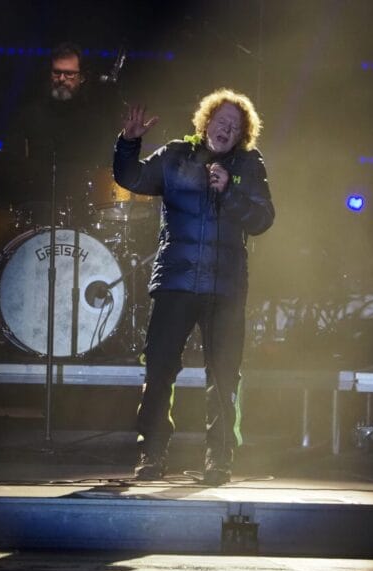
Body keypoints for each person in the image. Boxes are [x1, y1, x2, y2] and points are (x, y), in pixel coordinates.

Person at [113, 88, 275, 485]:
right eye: (221, 121)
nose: (226, 129)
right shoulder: (174, 156)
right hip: (176, 281)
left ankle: (219, 459)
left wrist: (229, 191)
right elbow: (131, 177)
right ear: (206, 122)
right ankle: (152, 454)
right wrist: (128, 143)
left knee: (224, 375)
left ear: (243, 133)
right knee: (159, 368)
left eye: (235, 125)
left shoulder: (249, 165)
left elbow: (263, 219)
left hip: (225, 287)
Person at [1, 41, 119, 228]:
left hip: (83, 214)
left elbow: (104, 168)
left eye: (69, 74)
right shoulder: (29, 116)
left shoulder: (96, 121)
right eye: (57, 73)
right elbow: (12, 164)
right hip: (37, 211)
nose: (62, 79)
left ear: (82, 77)